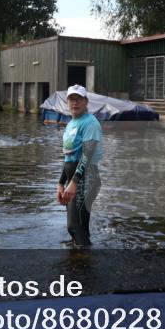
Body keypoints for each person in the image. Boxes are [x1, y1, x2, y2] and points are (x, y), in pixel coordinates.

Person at [56, 85, 104, 247]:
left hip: (86, 180)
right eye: (71, 99)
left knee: (74, 226)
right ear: (67, 102)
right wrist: (61, 182)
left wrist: (74, 182)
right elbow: (68, 156)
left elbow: (87, 154)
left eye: (79, 99)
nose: (75, 103)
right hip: (73, 181)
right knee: (78, 229)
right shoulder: (71, 124)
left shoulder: (90, 123)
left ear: (86, 102)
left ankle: (84, 265)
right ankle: (79, 254)